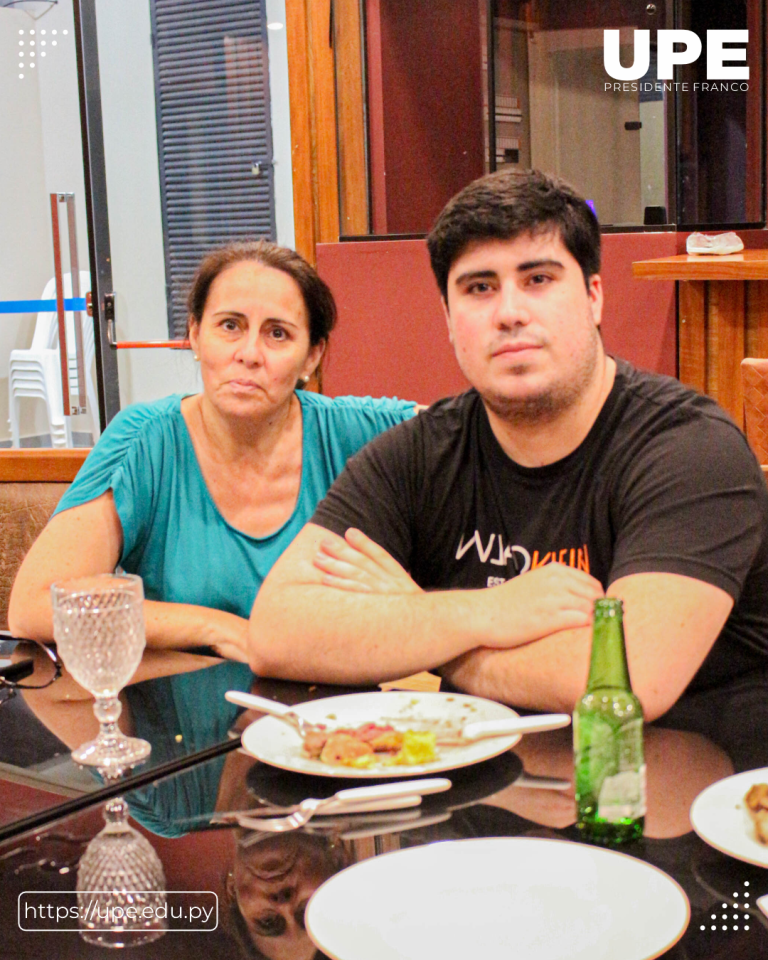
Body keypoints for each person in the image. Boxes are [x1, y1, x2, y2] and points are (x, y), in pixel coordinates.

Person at [246, 169, 768, 722]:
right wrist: (491, 612)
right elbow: (277, 630)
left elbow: (628, 682)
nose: (510, 312)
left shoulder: (688, 449)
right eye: (479, 288)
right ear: (448, 318)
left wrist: (424, 627)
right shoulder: (419, 454)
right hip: (475, 783)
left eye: (538, 279)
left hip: (688, 785)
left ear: (593, 297)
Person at [8, 240, 415, 685]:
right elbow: (33, 605)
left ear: (312, 356)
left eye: (277, 333)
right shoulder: (146, 440)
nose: (249, 353)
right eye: (230, 326)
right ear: (196, 335)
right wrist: (222, 629)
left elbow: (474, 427)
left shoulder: (360, 433)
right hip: (185, 733)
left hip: (337, 731)